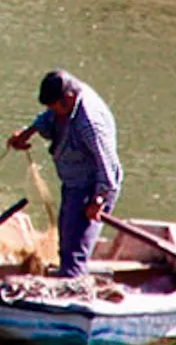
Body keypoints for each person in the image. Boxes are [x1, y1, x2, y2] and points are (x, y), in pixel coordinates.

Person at [7, 70, 123, 278]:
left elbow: (108, 166)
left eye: (57, 108)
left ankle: (72, 295)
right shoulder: (65, 104)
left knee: (75, 253)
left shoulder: (89, 124)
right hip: (73, 182)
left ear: (69, 98)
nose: (55, 113)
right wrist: (27, 133)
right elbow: (48, 118)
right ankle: (68, 275)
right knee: (66, 242)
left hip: (93, 187)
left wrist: (98, 200)